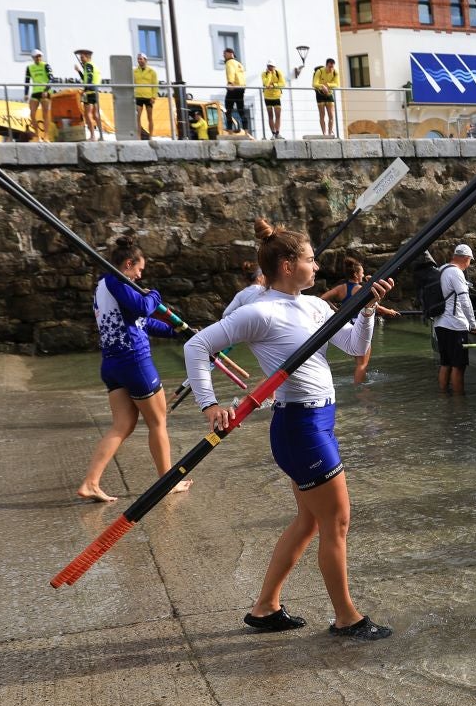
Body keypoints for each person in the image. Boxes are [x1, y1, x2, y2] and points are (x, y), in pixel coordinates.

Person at [185, 219, 393, 640]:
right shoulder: (259, 312)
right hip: (300, 428)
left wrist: (368, 310)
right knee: (336, 523)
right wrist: (208, 405)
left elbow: (354, 347)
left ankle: (265, 608)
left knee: (310, 522)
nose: (317, 266)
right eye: (310, 259)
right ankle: (346, 617)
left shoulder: (315, 305)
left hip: (319, 423)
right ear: (286, 264)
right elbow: (197, 345)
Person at [77, 236, 189, 503]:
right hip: (134, 361)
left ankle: (90, 483)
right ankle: (167, 482)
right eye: (139, 269)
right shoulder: (118, 281)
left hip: (113, 365)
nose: (140, 275)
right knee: (158, 422)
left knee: (123, 425)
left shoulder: (103, 286)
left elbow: (143, 322)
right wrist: (154, 295)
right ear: (128, 263)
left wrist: (178, 332)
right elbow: (143, 306)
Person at [320, 256, 401, 384]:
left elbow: (322, 299)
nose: (363, 275)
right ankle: (361, 393)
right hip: (360, 328)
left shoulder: (340, 288)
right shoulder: (360, 289)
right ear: (356, 274)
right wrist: (388, 311)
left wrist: (336, 312)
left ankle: (359, 387)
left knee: (359, 363)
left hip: (346, 328)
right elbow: (374, 306)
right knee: (362, 364)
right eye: (362, 272)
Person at [433, 242, 476, 394]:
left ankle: (444, 398)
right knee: (458, 367)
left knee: (445, 364)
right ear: (466, 258)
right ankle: (460, 404)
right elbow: (465, 301)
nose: (469, 264)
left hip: (439, 323)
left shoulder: (441, 270)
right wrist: (473, 325)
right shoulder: (456, 272)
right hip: (455, 325)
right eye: (469, 261)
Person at [23, 49, 55, 142]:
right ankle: (37, 135)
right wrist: (25, 93)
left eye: (40, 56)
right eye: (36, 56)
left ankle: (46, 136)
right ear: (33, 58)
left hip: (45, 92)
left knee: (45, 114)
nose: (39, 58)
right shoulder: (29, 67)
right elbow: (27, 81)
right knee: (32, 114)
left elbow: (51, 79)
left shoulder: (46, 65)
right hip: (35, 92)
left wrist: (46, 90)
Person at [74, 49, 104, 141]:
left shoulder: (88, 65)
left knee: (88, 114)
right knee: (96, 114)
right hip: (95, 91)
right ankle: (101, 135)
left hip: (89, 91)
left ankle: (92, 136)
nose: (81, 59)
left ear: (87, 57)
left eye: (82, 57)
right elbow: (85, 78)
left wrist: (85, 89)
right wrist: (79, 71)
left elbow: (89, 78)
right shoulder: (92, 66)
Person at [312, 58, 340, 137]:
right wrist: (322, 86)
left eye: (332, 67)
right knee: (322, 114)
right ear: (326, 65)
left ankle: (330, 133)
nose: (331, 69)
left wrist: (328, 85)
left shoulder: (335, 72)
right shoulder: (319, 71)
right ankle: (324, 133)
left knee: (331, 115)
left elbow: (337, 84)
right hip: (320, 94)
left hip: (329, 94)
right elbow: (314, 84)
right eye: (329, 67)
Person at [133, 53, 158, 139]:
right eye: (138, 59)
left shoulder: (152, 72)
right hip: (138, 96)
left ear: (145, 60)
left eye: (141, 59)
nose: (139, 60)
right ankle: (139, 136)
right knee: (137, 118)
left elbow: (155, 85)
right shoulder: (134, 71)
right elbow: (132, 84)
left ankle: (150, 136)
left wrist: (154, 96)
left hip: (148, 97)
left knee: (149, 117)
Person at [223, 47, 247, 133]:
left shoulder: (229, 63)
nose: (224, 56)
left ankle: (229, 129)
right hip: (241, 88)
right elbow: (242, 76)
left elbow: (231, 72)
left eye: (224, 54)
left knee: (228, 108)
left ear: (230, 54)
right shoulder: (239, 64)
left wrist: (230, 82)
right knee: (241, 110)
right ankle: (246, 130)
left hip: (234, 87)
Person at [262, 59, 285, 139]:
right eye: (269, 66)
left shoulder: (279, 73)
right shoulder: (264, 74)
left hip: (276, 96)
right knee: (270, 116)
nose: (270, 68)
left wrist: (274, 85)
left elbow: (282, 83)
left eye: (271, 66)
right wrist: (269, 75)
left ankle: (277, 132)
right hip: (267, 97)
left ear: (274, 67)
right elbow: (266, 84)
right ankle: (273, 133)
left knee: (278, 115)